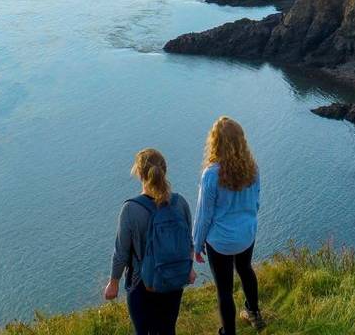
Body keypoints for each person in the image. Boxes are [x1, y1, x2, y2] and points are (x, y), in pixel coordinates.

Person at [105, 148, 196, 335]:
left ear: (140, 174)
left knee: (144, 331)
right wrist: (189, 268)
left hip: (143, 283)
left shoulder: (131, 209)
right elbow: (188, 242)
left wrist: (113, 282)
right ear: (165, 170)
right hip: (174, 278)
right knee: (168, 329)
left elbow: (121, 252)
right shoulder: (180, 203)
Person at [193, 116, 264, 333]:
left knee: (224, 289)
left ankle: (229, 332)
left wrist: (197, 244)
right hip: (246, 234)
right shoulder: (252, 168)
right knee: (245, 269)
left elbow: (204, 214)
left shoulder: (211, 174)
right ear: (241, 141)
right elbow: (256, 202)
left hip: (221, 241)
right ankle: (254, 314)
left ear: (215, 142)